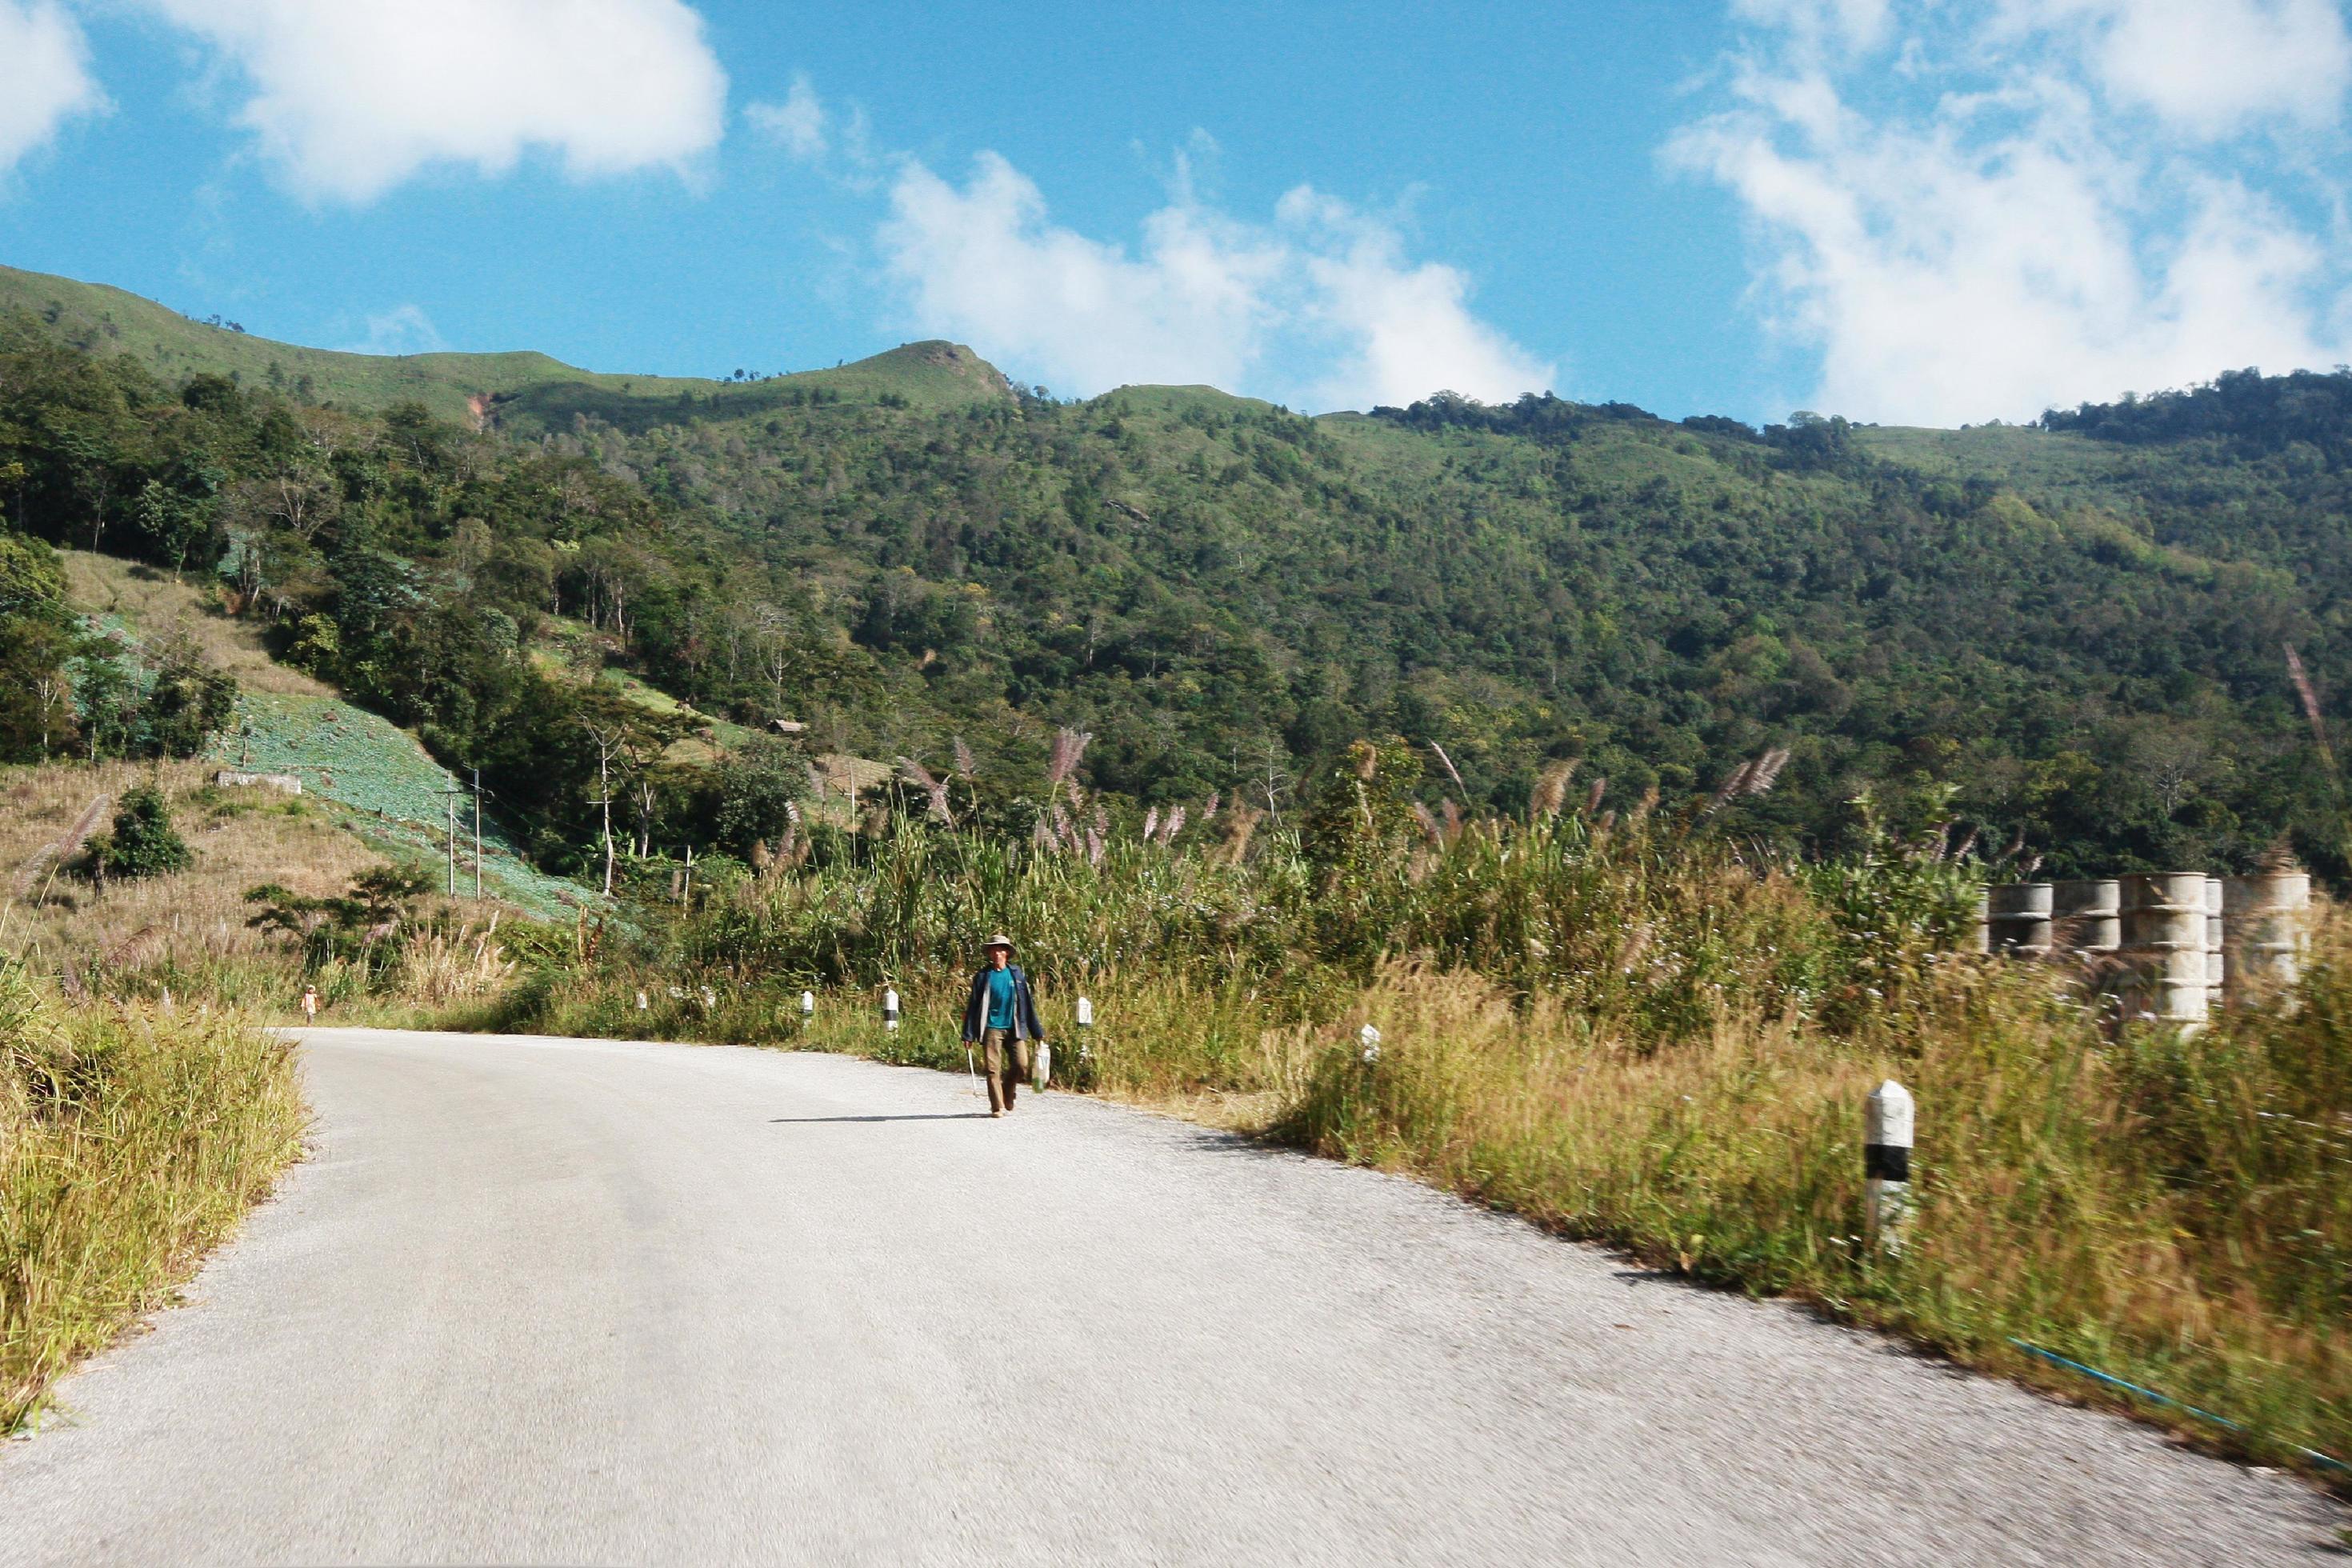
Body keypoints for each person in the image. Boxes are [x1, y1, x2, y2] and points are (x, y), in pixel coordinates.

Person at [962, 934, 1045, 1118]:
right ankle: (997, 1106)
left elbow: (1027, 1004)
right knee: (993, 1069)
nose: (997, 953)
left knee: (1021, 1064)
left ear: (1007, 953)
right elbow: (973, 1006)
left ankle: (1007, 1089)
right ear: (990, 953)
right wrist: (968, 1034)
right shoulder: (983, 977)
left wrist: (1037, 1031)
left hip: (1014, 1026)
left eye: (1000, 949)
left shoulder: (1016, 975)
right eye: (994, 949)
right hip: (991, 1027)